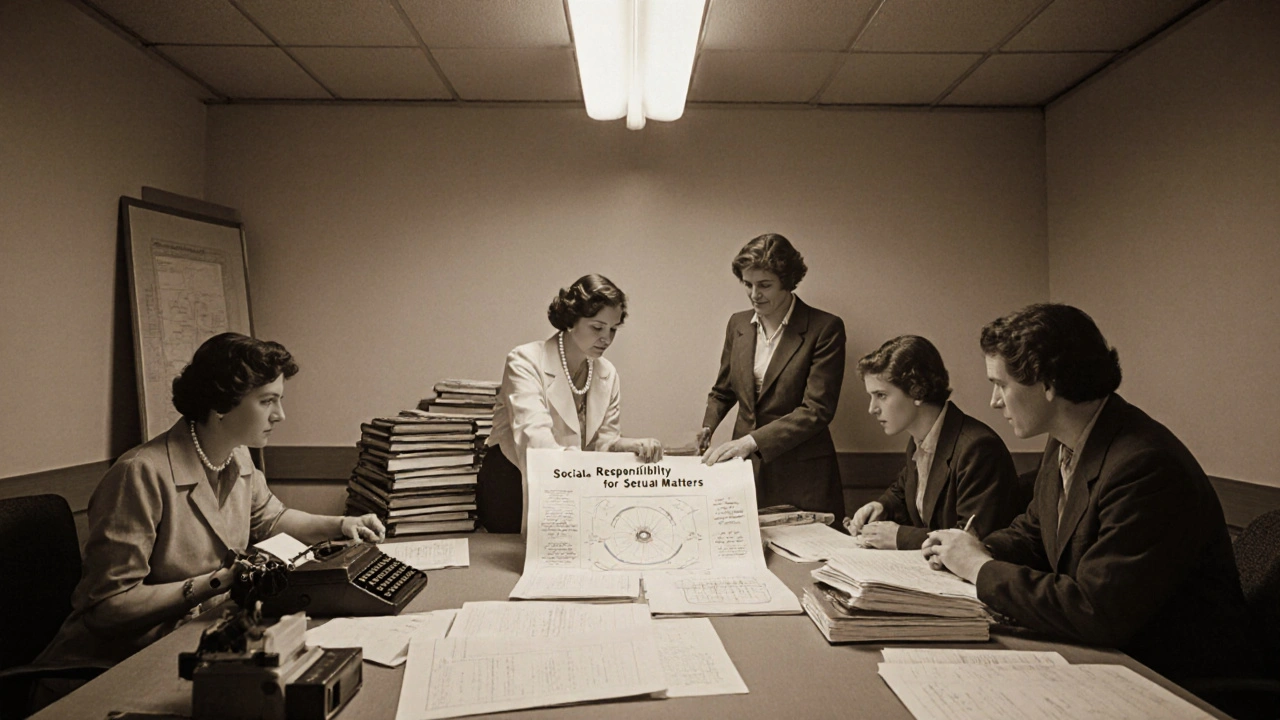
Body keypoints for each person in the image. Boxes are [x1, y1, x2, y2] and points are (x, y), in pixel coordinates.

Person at [922, 304, 1259, 683]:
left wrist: (978, 567)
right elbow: (1034, 532)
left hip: (1179, 679)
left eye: (1001, 384)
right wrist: (974, 548)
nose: (995, 402)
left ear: (1048, 383)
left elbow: (1096, 609)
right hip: (1110, 657)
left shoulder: (1145, 466)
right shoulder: (1067, 440)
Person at [31, 333, 384, 676]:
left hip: (191, 641)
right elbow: (107, 609)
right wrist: (218, 582)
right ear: (220, 405)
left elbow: (272, 519)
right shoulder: (139, 474)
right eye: (267, 401)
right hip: (108, 668)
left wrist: (340, 525)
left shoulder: (237, 456)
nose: (280, 415)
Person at [478, 274, 663, 533]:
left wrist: (630, 446)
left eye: (613, 329)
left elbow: (602, 442)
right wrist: (586, 470)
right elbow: (536, 443)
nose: (606, 339)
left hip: (571, 483)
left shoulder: (606, 372)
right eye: (597, 328)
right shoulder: (525, 360)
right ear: (571, 320)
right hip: (513, 486)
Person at [699, 233, 846, 521]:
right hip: (745, 471)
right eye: (748, 284)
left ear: (788, 281)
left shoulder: (825, 328)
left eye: (764, 285)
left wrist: (750, 441)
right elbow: (723, 390)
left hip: (802, 476)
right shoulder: (738, 323)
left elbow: (817, 410)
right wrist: (707, 426)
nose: (754, 294)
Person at [845, 335, 1021, 549]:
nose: (872, 408)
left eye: (881, 395)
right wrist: (881, 506)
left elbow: (972, 541)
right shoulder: (921, 439)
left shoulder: (978, 448)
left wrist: (900, 537)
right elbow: (903, 491)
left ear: (917, 391)